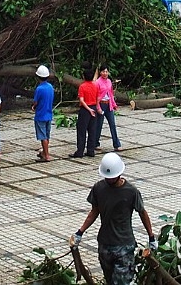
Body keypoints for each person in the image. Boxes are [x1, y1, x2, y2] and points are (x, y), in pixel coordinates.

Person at [70, 153, 156, 285]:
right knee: (109, 280)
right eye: (107, 177)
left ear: (119, 174)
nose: (109, 180)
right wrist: (79, 232)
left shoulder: (131, 191)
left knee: (121, 282)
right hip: (105, 245)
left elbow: (142, 213)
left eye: (112, 178)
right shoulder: (99, 188)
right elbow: (94, 211)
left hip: (124, 246)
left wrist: (151, 237)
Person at [69, 62, 102, 158]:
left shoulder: (82, 86)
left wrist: (88, 109)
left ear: (84, 76)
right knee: (92, 130)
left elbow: (82, 100)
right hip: (94, 107)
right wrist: (96, 107)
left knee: (81, 130)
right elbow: (98, 98)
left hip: (85, 109)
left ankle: (80, 151)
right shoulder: (95, 85)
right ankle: (91, 150)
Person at [94, 66, 122, 152]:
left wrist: (113, 104)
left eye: (106, 72)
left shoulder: (109, 81)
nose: (105, 73)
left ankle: (117, 144)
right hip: (101, 104)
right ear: (100, 72)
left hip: (108, 104)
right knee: (99, 125)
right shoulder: (97, 82)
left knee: (112, 124)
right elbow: (96, 97)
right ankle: (95, 143)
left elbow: (111, 94)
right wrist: (98, 107)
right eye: (103, 71)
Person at [32, 64, 55, 162]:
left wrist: (34, 107)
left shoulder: (39, 89)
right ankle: (44, 152)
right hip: (49, 114)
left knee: (43, 136)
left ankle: (46, 155)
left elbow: (36, 102)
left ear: (38, 77)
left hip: (40, 115)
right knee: (46, 135)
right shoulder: (50, 87)